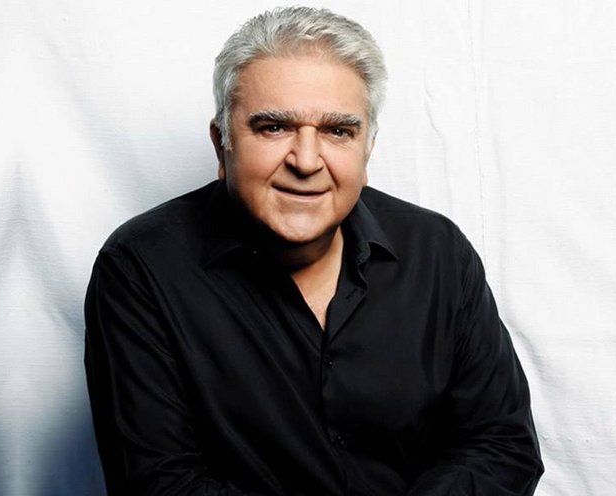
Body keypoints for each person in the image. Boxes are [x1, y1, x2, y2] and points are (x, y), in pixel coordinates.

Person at [83, 6, 542, 496]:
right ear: (222, 145)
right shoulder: (140, 268)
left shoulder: (438, 253)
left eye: (337, 131)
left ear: (367, 149)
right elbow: (158, 483)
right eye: (273, 127)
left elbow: (501, 446)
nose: (305, 161)